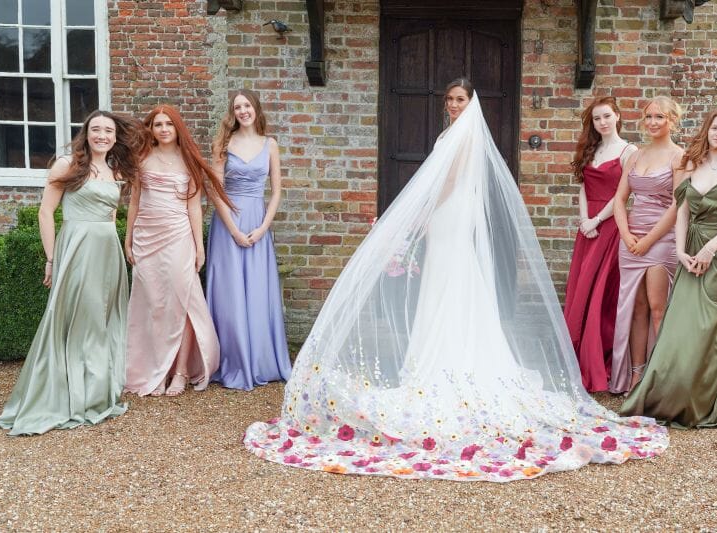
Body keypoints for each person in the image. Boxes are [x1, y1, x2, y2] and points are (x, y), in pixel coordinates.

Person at [241, 78, 668, 482]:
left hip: (449, 214)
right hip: (447, 219)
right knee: (440, 282)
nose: (453, 104)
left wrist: (419, 214)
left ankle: (451, 358)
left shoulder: (463, 137)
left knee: (451, 279)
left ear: (471, 102)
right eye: (449, 99)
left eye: (460, 99)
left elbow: (445, 182)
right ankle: (432, 356)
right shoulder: (452, 134)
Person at [0, 110, 141, 435]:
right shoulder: (66, 164)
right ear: (86, 133)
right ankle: (72, 397)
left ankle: (97, 391)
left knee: (102, 320)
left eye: (108, 131)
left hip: (107, 251)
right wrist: (51, 258)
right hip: (77, 249)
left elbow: (111, 213)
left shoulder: (114, 169)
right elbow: (46, 212)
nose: (102, 135)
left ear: (115, 137)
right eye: (96, 130)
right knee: (79, 318)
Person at [621, 108, 717, 428]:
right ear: (707, 130)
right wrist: (682, 251)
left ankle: (704, 403)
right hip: (691, 249)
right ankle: (671, 398)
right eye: (714, 127)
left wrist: (712, 248)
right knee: (679, 323)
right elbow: (682, 211)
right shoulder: (693, 164)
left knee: (706, 326)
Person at [124, 105, 231, 397]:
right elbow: (133, 202)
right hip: (147, 238)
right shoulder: (141, 159)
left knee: (181, 302)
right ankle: (158, 369)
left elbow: (194, 206)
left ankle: (181, 371)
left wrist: (199, 246)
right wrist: (128, 238)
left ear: (177, 128)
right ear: (151, 129)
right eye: (157, 124)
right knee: (154, 305)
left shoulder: (188, 161)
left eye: (168, 124)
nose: (163, 129)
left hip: (178, 237)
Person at [206, 89, 291, 390]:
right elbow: (215, 191)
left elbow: (277, 190)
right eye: (237, 106)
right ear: (232, 112)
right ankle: (232, 359)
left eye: (247, 105)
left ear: (256, 108)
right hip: (229, 223)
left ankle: (261, 360)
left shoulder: (270, 145)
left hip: (257, 220)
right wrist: (233, 230)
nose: (242, 111)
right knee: (228, 292)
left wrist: (264, 227)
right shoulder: (223, 145)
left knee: (256, 289)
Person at [609, 96, 683, 394]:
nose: (653, 122)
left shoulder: (680, 157)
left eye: (660, 117)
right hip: (632, 239)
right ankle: (637, 374)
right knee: (636, 308)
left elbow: (678, 205)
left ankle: (661, 377)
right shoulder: (635, 156)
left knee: (657, 308)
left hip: (660, 240)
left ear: (672, 121)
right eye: (649, 116)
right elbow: (619, 200)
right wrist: (627, 237)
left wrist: (649, 240)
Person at [564, 96, 636, 392]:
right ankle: (574, 357)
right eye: (597, 119)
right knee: (581, 291)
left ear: (617, 116)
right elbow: (583, 187)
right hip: (588, 228)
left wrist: (597, 221)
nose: (602, 122)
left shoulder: (629, 151)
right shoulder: (589, 149)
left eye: (607, 116)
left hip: (611, 226)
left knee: (602, 295)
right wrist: (584, 219)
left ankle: (600, 360)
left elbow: (624, 194)